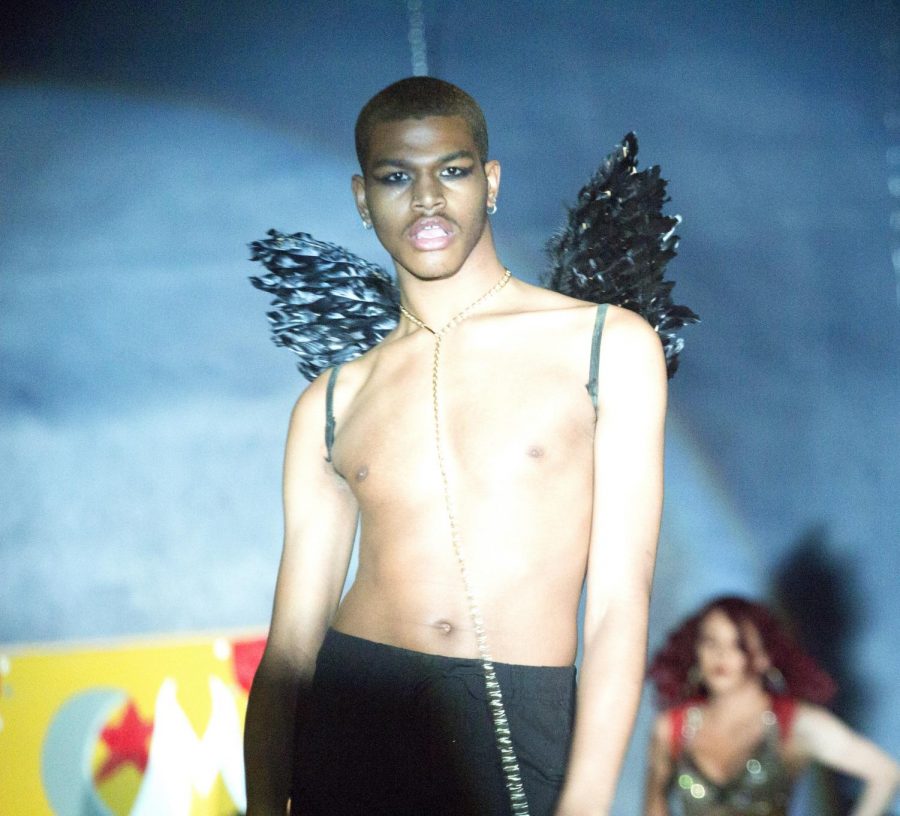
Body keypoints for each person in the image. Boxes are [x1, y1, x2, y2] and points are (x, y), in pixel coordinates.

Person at [244, 76, 668, 816]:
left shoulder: (605, 345)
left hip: (514, 715)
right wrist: (260, 805)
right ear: (361, 197)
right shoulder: (333, 400)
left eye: (453, 169)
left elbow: (618, 605)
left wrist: (589, 798)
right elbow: (288, 654)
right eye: (396, 177)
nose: (428, 198)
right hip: (355, 715)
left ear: (491, 180)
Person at [643, 596, 900, 816]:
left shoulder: (793, 722)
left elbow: (885, 773)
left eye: (737, 645)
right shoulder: (673, 726)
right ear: (695, 650)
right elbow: (654, 808)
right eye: (711, 643)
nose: (720, 655)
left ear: (764, 655)